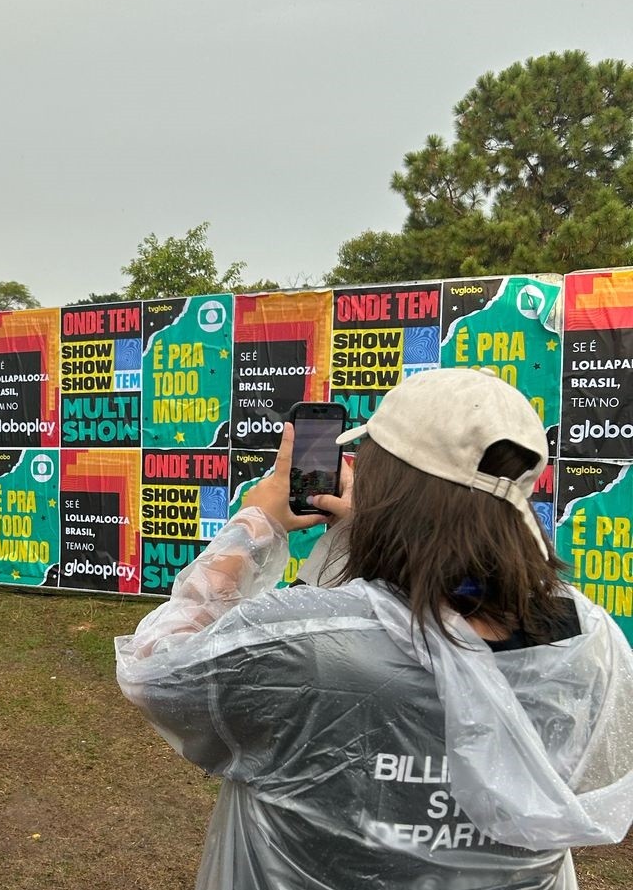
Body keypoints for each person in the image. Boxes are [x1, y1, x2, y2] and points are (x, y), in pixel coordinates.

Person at [116, 368, 633, 890]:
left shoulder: (300, 645)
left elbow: (157, 668)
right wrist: (356, 541)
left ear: (389, 482)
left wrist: (254, 525)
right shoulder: (588, 638)